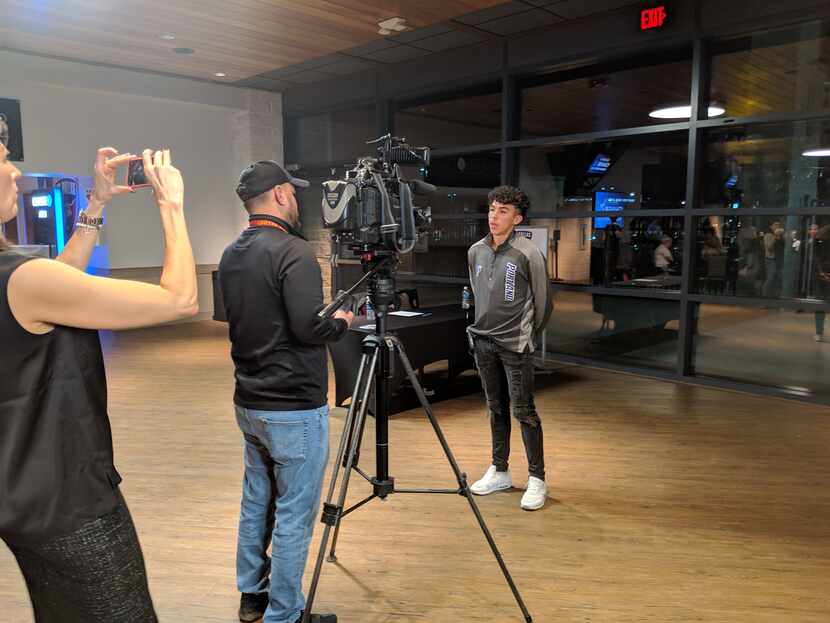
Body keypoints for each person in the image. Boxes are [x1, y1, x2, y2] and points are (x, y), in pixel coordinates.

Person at [0, 121, 197, 621]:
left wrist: (97, 203)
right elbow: (179, 300)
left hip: (22, 500)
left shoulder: (22, 282)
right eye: (3, 159)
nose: (15, 173)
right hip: (73, 506)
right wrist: (170, 205)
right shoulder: (23, 279)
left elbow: (57, 285)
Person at [218, 161, 354, 623]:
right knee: (295, 513)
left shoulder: (231, 254)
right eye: (293, 193)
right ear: (278, 195)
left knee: (257, 499)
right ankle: (285, 614)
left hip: (250, 402)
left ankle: (252, 596)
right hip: (294, 406)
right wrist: (342, 323)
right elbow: (307, 327)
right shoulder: (294, 252)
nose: (298, 201)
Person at [466, 185, 552, 511]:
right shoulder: (475, 251)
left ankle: (537, 478)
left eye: (503, 211)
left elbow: (543, 305)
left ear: (517, 218)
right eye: (492, 209)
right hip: (483, 342)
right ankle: (499, 470)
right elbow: (479, 293)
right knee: (495, 408)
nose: (494, 216)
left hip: (515, 345)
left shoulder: (529, 254)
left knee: (524, 412)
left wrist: (526, 334)